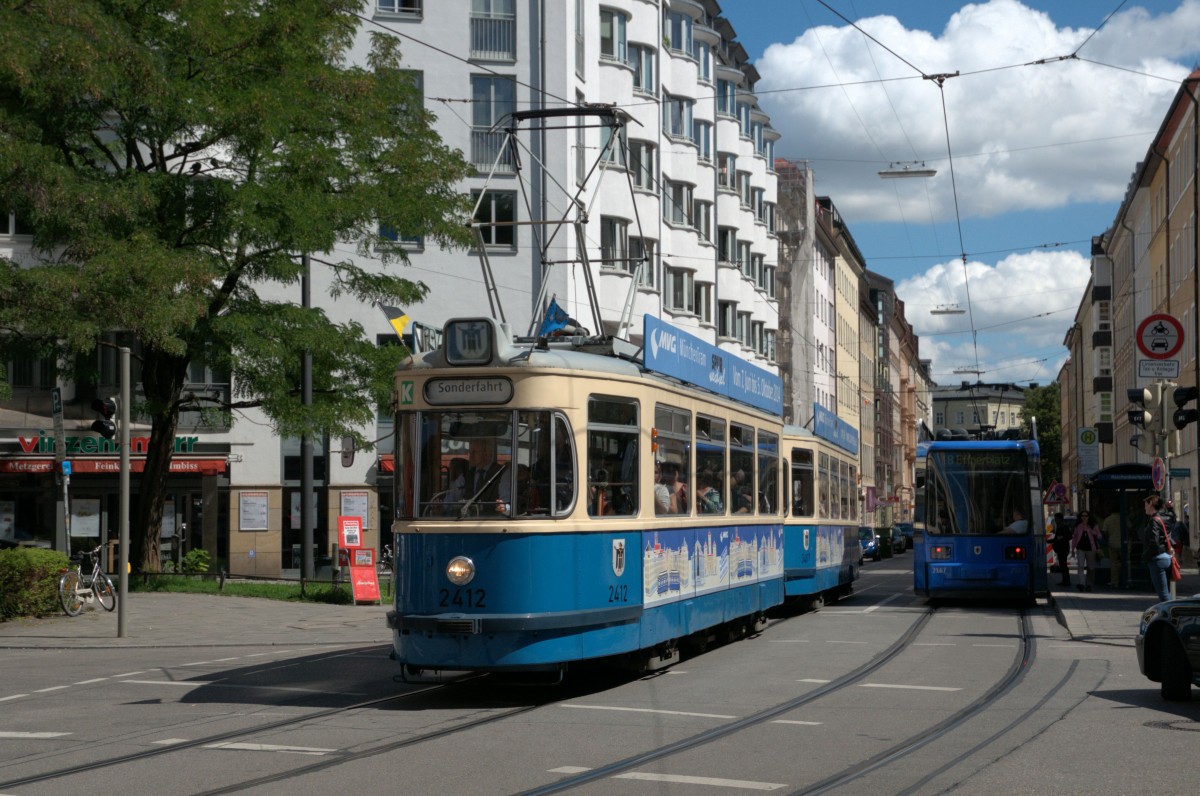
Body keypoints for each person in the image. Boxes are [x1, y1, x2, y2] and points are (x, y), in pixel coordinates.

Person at [464, 438, 510, 512]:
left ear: (486, 454)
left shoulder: (502, 472)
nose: (471, 456)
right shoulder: (468, 474)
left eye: (474, 452)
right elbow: (456, 498)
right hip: (468, 519)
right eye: (470, 452)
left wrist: (504, 507)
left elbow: (508, 504)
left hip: (492, 520)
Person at [1142, 494, 1173, 603]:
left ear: (1151, 504)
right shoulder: (1166, 518)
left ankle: (1170, 618)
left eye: (1146, 504)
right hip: (1166, 558)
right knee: (1166, 592)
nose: (1144, 507)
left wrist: (1145, 556)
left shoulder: (1154, 520)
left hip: (1157, 559)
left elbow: (1154, 543)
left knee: (1164, 595)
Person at [1070, 510, 1101, 592]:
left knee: (1091, 567)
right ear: (1080, 517)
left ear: (1089, 517)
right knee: (1080, 566)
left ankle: (1089, 584)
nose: (1084, 517)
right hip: (1080, 549)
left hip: (1091, 549)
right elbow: (1074, 538)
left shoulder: (1093, 525)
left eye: (1086, 516)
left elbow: (1099, 536)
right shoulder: (1078, 526)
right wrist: (1073, 549)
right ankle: (1082, 584)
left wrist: (1092, 531)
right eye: (1082, 516)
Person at [1101, 508, 1122, 588]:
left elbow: (1104, 532)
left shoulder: (1108, 519)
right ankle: (1127, 580)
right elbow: (1130, 528)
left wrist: (1108, 539)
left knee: (1113, 563)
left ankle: (1114, 581)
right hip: (1123, 543)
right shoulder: (1123, 517)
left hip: (1112, 543)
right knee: (1126, 562)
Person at [1050, 511, 1071, 587]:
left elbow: (1069, 536)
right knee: (1062, 565)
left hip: (1063, 548)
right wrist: (1049, 541)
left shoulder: (1063, 527)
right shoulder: (1059, 527)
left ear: (1060, 519)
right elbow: (1056, 539)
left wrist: (1062, 538)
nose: (1055, 520)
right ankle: (1065, 580)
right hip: (1060, 549)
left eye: (1056, 519)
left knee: (1063, 565)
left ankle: (1066, 581)